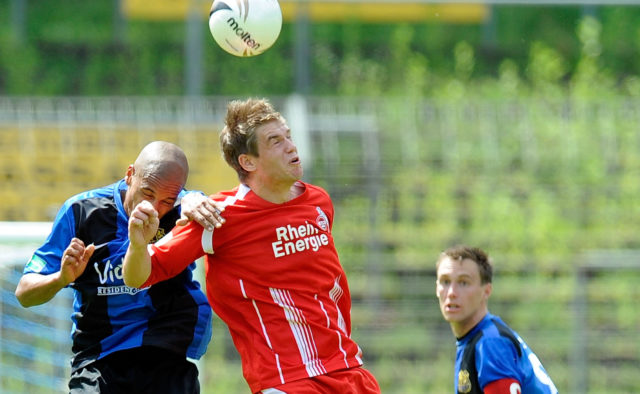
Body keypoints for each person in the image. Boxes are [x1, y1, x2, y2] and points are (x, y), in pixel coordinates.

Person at [122, 98, 381, 394]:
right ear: (248, 161)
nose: (291, 147)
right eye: (275, 141)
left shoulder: (318, 202)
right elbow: (137, 276)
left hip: (349, 370)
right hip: (287, 380)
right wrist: (138, 245)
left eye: (288, 136)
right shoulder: (217, 216)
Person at [15, 141, 225, 394]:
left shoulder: (183, 211)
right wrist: (61, 278)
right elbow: (24, 293)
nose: (154, 209)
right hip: (99, 356)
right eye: (147, 194)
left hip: (164, 347)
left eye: (167, 200)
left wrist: (194, 197)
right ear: (129, 175)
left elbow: (215, 208)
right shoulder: (81, 212)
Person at [435, 245, 558, 394]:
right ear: (436, 288)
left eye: (463, 282)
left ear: (486, 291)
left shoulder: (490, 343)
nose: (452, 292)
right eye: (445, 281)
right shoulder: (477, 339)